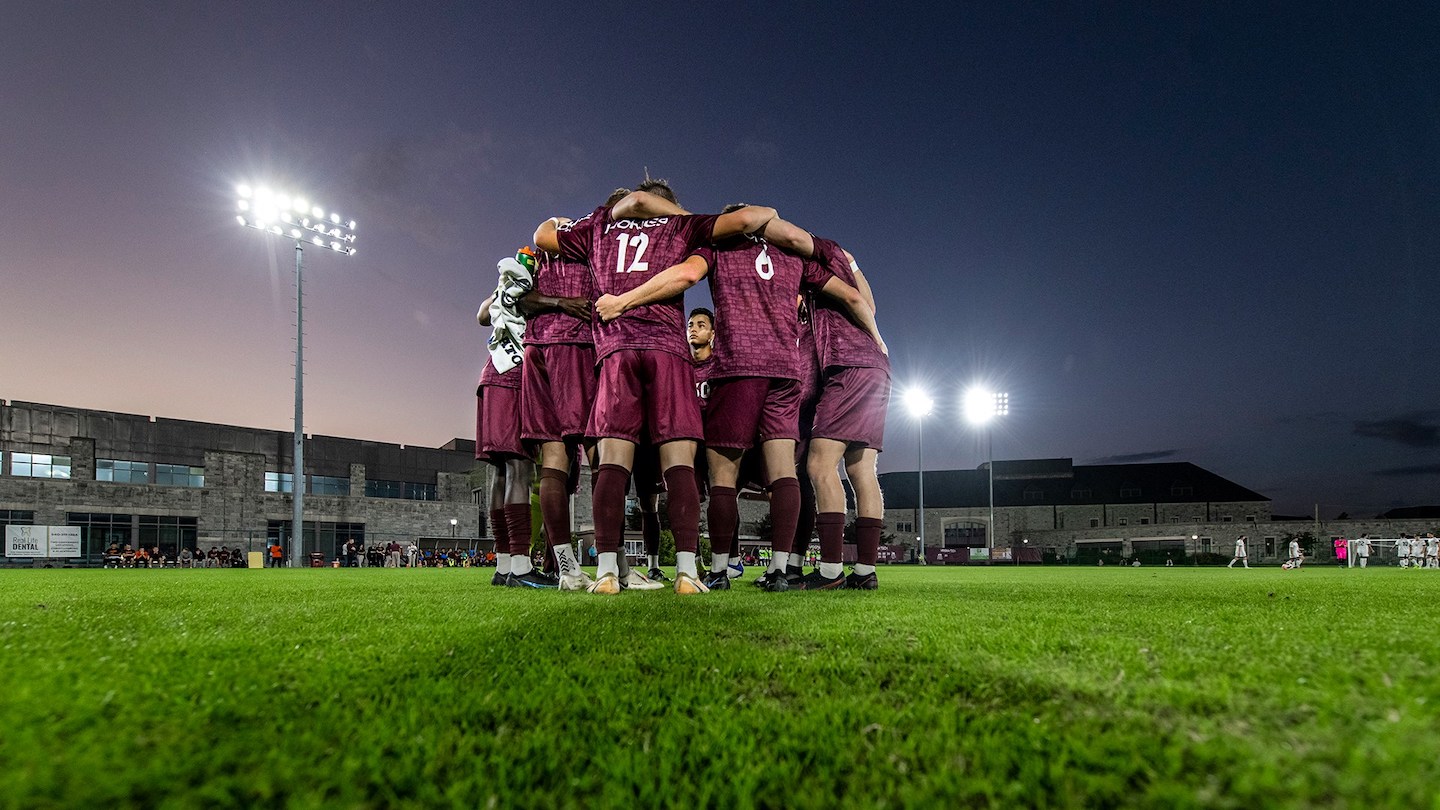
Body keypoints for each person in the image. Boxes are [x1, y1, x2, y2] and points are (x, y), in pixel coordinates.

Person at [598, 204, 880, 594]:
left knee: (722, 476)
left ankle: (718, 570)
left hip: (738, 367)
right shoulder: (794, 256)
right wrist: (876, 337)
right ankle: (782, 570)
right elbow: (851, 296)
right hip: (785, 372)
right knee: (784, 473)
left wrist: (624, 299)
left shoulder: (719, 250)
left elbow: (686, 274)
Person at [534, 180, 781, 595]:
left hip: (616, 348)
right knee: (679, 460)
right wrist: (686, 218)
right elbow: (757, 217)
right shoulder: (682, 228)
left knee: (611, 461)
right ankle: (687, 572)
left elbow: (541, 235)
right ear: (666, 204)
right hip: (667, 348)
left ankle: (608, 572)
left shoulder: (597, 226)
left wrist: (590, 220)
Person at [521, 232, 609, 592]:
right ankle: (611, 564)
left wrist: (554, 301)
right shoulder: (596, 244)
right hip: (571, 345)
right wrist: (565, 303)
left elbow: (519, 299)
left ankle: (567, 568)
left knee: (554, 458)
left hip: (535, 349)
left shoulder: (536, 255)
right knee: (599, 449)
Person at [477, 254, 554, 589]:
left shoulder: (504, 287)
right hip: (515, 376)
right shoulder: (531, 285)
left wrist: (501, 292)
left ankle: (504, 564)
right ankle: (521, 566)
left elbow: (482, 315)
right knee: (519, 467)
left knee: (499, 471)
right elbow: (536, 302)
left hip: (491, 374)